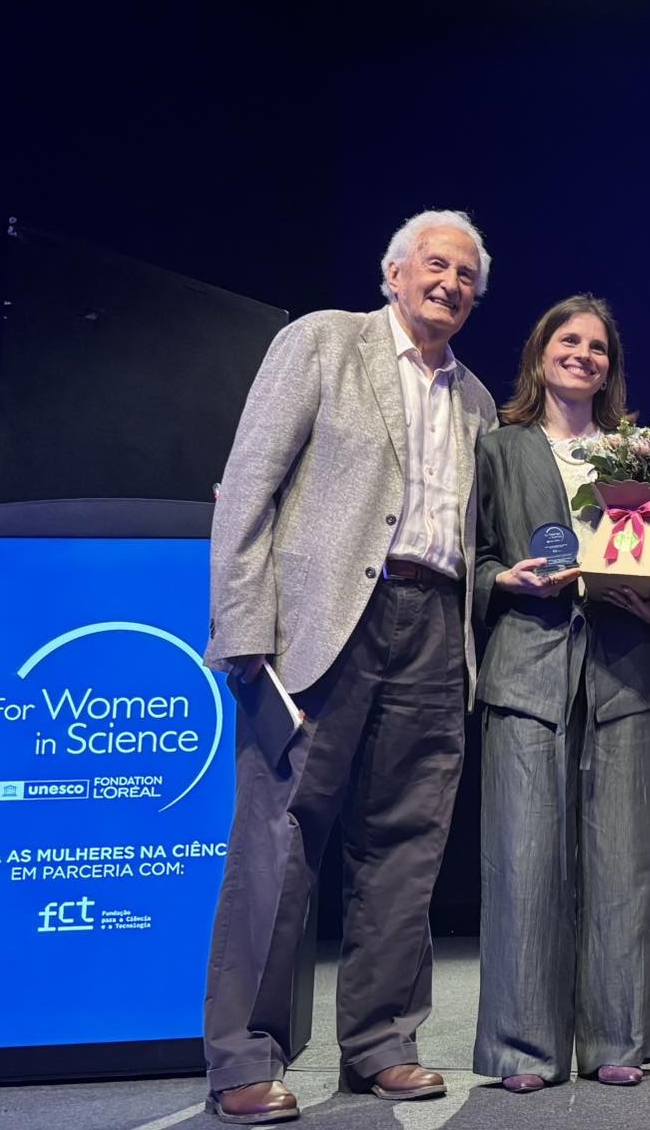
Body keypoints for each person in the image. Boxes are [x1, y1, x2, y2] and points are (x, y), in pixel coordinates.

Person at [202, 210, 498, 1123]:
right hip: (322, 626)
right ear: (394, 272)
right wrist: (243, 625)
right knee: (280, 836)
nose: (449, 283)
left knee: (407, 844)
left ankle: (380, 1044)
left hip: (434, 624)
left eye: (466, 276)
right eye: (436, 265)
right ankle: (243, 1058)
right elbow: (247, 486)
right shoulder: (324, 343)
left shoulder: (478, 400)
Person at [470, 295, 650, 1093]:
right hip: (528, 669)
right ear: (540, 352)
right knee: (523, 862)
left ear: (609, 367)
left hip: (623, 673)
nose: (583, 355)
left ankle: (618, 1038)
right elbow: (472, 557)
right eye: (569, 340)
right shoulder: (498, 449)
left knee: (626, 863)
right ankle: (524, 1048)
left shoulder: (638, 457)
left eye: (597, 347)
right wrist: (505, 580)